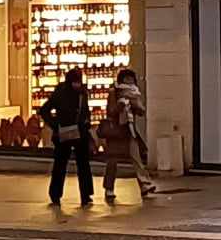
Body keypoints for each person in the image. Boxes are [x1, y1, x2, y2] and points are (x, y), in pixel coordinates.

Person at [38, 68, 93, 206]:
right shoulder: (61, 93)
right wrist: (56, 125)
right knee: (62, 164)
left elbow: (85, 110)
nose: (77, 84)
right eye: (75, 81)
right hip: (65, 132)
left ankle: (85, 195)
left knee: (81, 164)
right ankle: (56, 194)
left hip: (79, 132)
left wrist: (86, 122)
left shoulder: (82, 93)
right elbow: (44, 110)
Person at [101, 69, 157, 201]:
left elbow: (141, 111)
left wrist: (135, 104)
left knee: (136, 158)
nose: (129, 81)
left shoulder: (134, 93)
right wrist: (120, 106)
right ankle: (109, 188)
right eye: (126, 79)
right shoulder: (114, 92)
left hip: (129, 130)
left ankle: (144, 184)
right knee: (112, 161)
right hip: (116, 131)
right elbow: (110, 111)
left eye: (131, 79)